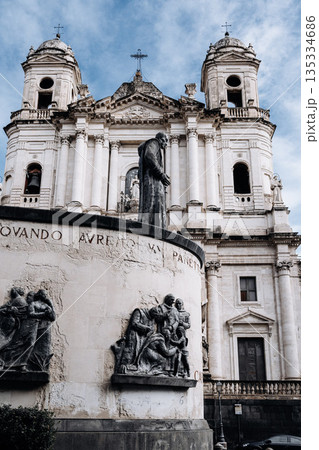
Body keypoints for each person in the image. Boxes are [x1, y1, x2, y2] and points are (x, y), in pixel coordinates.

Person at [138, 132, 170, 228]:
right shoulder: (154, 142)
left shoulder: (153, 145)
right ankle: (154, 227)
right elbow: (149, 156)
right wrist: (161, 174)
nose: (166, 144)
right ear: (161, 139)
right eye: (165, 141)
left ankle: (155, 226)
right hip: (153, 180)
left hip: (152, 179)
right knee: (154, 203)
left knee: (154, 204)